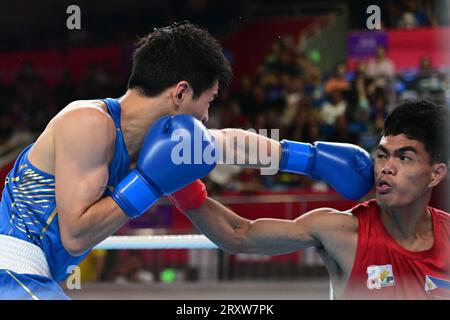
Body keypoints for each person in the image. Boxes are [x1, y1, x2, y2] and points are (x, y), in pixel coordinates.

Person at [0, 22, 373, 300]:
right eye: (208, 102)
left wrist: (313, 162)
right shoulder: (87, 123)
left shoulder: (160, 152)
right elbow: (76, 233)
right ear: (181, 92)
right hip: (11, 267)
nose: (207, 119)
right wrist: (148, 182)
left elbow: (235, 227)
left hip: (36, 277)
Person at [170, 99, 450, 299]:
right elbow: (238, 234)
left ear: (436, 174)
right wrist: (177, 184)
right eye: (381, 155)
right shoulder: (341, 231)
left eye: (404, 158)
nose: (387, 167)